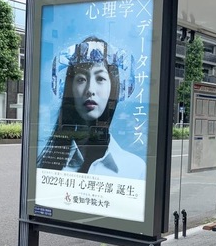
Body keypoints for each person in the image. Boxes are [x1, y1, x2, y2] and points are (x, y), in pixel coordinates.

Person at [37, 36, 146, 179]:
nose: (90, 90)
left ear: (113, 87)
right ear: (69, 88)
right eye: (81, 79)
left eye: (100, 78)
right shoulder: (47, 163)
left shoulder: (135, 169)